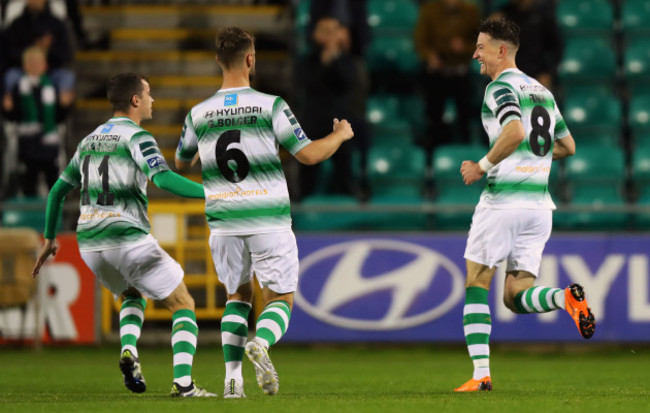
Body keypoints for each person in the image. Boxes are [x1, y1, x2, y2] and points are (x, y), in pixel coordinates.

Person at [175, 27, 354, 398]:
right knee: (280, 299)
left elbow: (179, 162)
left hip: (223, 221)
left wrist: (201, 153)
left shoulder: (198, 113)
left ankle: (232, 381)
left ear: (217, 62)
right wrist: (339, 135)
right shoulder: (271, 106)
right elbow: (308, 155)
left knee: (237, 297)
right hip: (267, 218)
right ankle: (263, 343)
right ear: (250, 59)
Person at [31, 72, 215, 398]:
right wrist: (210, 191)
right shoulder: (138, 137)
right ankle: (184, 384)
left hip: (90, 244)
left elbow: (57, 191)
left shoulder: (87, 141)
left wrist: (49, 238)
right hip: (126, 237)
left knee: (131, 294)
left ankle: (129, 349)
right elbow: (165, 179)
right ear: (135, 100)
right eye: (149, 94)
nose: (153, 100)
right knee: (183, 303)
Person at [455, 18, 594, 392]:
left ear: (502, 50)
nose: (475, 55)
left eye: (481, 47)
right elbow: (567, 147)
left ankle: (481, 375)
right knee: (515, 297)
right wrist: (538, 162)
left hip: (503, 203)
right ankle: (565, 298)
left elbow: (514, 131)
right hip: (538, 207)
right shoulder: (542, 91)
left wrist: (481, 166)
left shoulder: (499, 88)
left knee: (476, 282)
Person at [295, 16, 359, 198]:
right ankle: (302, 204)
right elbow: (306, 83)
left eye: (333, 31)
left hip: (339, 121)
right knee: (307, 172)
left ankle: (349, 207)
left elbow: (348, 83)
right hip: (313, 120)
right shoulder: (307, 60)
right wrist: (324, 62)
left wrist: (334, 60)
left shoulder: (346, 60)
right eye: (325, 31)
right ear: (315, 35)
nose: (330, 35)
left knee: (344, 172)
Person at [414, 0, 480, 150]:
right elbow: (420, 41)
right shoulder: (429, 11)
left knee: (465, 119)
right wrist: (430, 56)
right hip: (437, 73)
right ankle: (434, 153)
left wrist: (464, 47)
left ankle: (465, 151)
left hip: (461, 72)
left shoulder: (471, 12)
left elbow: (481, 42)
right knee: (434, 119)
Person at [2, 46, 67, 197]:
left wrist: (64, 106)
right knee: (28, 179)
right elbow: (14, 117)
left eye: (38, 63)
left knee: (53, 180)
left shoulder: (51, 87)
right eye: (31, 63)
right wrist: (8, 109)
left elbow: (58, 117)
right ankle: (29, 215)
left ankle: (56, 215)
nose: (35, 66)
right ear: (25, 66)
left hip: (49, 143)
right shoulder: (19, 87)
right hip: (28, 142)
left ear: (45, 66)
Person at [1, 0, 75, 107]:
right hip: (23, 70)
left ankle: (59, 114)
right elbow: (9, 52)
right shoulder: (17, 24)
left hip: (50, 70)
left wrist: (47, 50)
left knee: (67, 77)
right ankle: (12, 114)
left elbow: (66, 53)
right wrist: (31, 53)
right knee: (10, 76)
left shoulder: (57, 24)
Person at [491, 0, 563, 90]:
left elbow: (557, 48)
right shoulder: (503, 14)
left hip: (536, 74)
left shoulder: (543, 13)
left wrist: (548, 74)